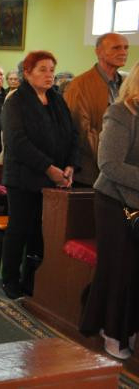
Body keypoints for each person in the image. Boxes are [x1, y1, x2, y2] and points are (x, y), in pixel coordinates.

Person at [0, 50, 78, 299]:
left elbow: (72, 134)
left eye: (52, 70)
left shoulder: (56, 99)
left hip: (54, 177)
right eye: (42, 70)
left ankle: (32, 278)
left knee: (41, 231)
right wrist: (48, 168)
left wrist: (70, 166)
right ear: (27, 73)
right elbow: (17, 142)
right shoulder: (16, 101)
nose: (49, 75)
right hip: (23, 177)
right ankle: (10, 279)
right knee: (20, 228)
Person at [79, 62, 139, 360]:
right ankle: (112, 331)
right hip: (115, 202)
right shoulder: (121, 113)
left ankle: (130, 326)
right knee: (119, 269)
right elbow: (110, 164)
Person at [63, 33, 130, 186]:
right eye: (116, 48)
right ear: (99, 52)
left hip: (122, 170)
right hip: (90, 172)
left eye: (126, 48)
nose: (123, 52)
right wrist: (110, 159)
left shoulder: (126, 84)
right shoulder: (80, 85)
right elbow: (81, 131)